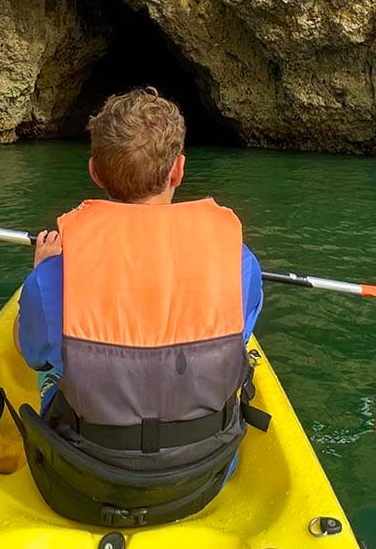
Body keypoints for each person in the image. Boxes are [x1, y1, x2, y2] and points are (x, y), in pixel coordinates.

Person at [14, 87, 263, 482]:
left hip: (85, 474)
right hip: (203, 474)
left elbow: (32, 354)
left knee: (49, 367)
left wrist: (41, 271)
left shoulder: (51, 277)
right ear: (178, 170)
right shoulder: (240, 263)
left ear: (94, 172)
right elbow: (242, 332)